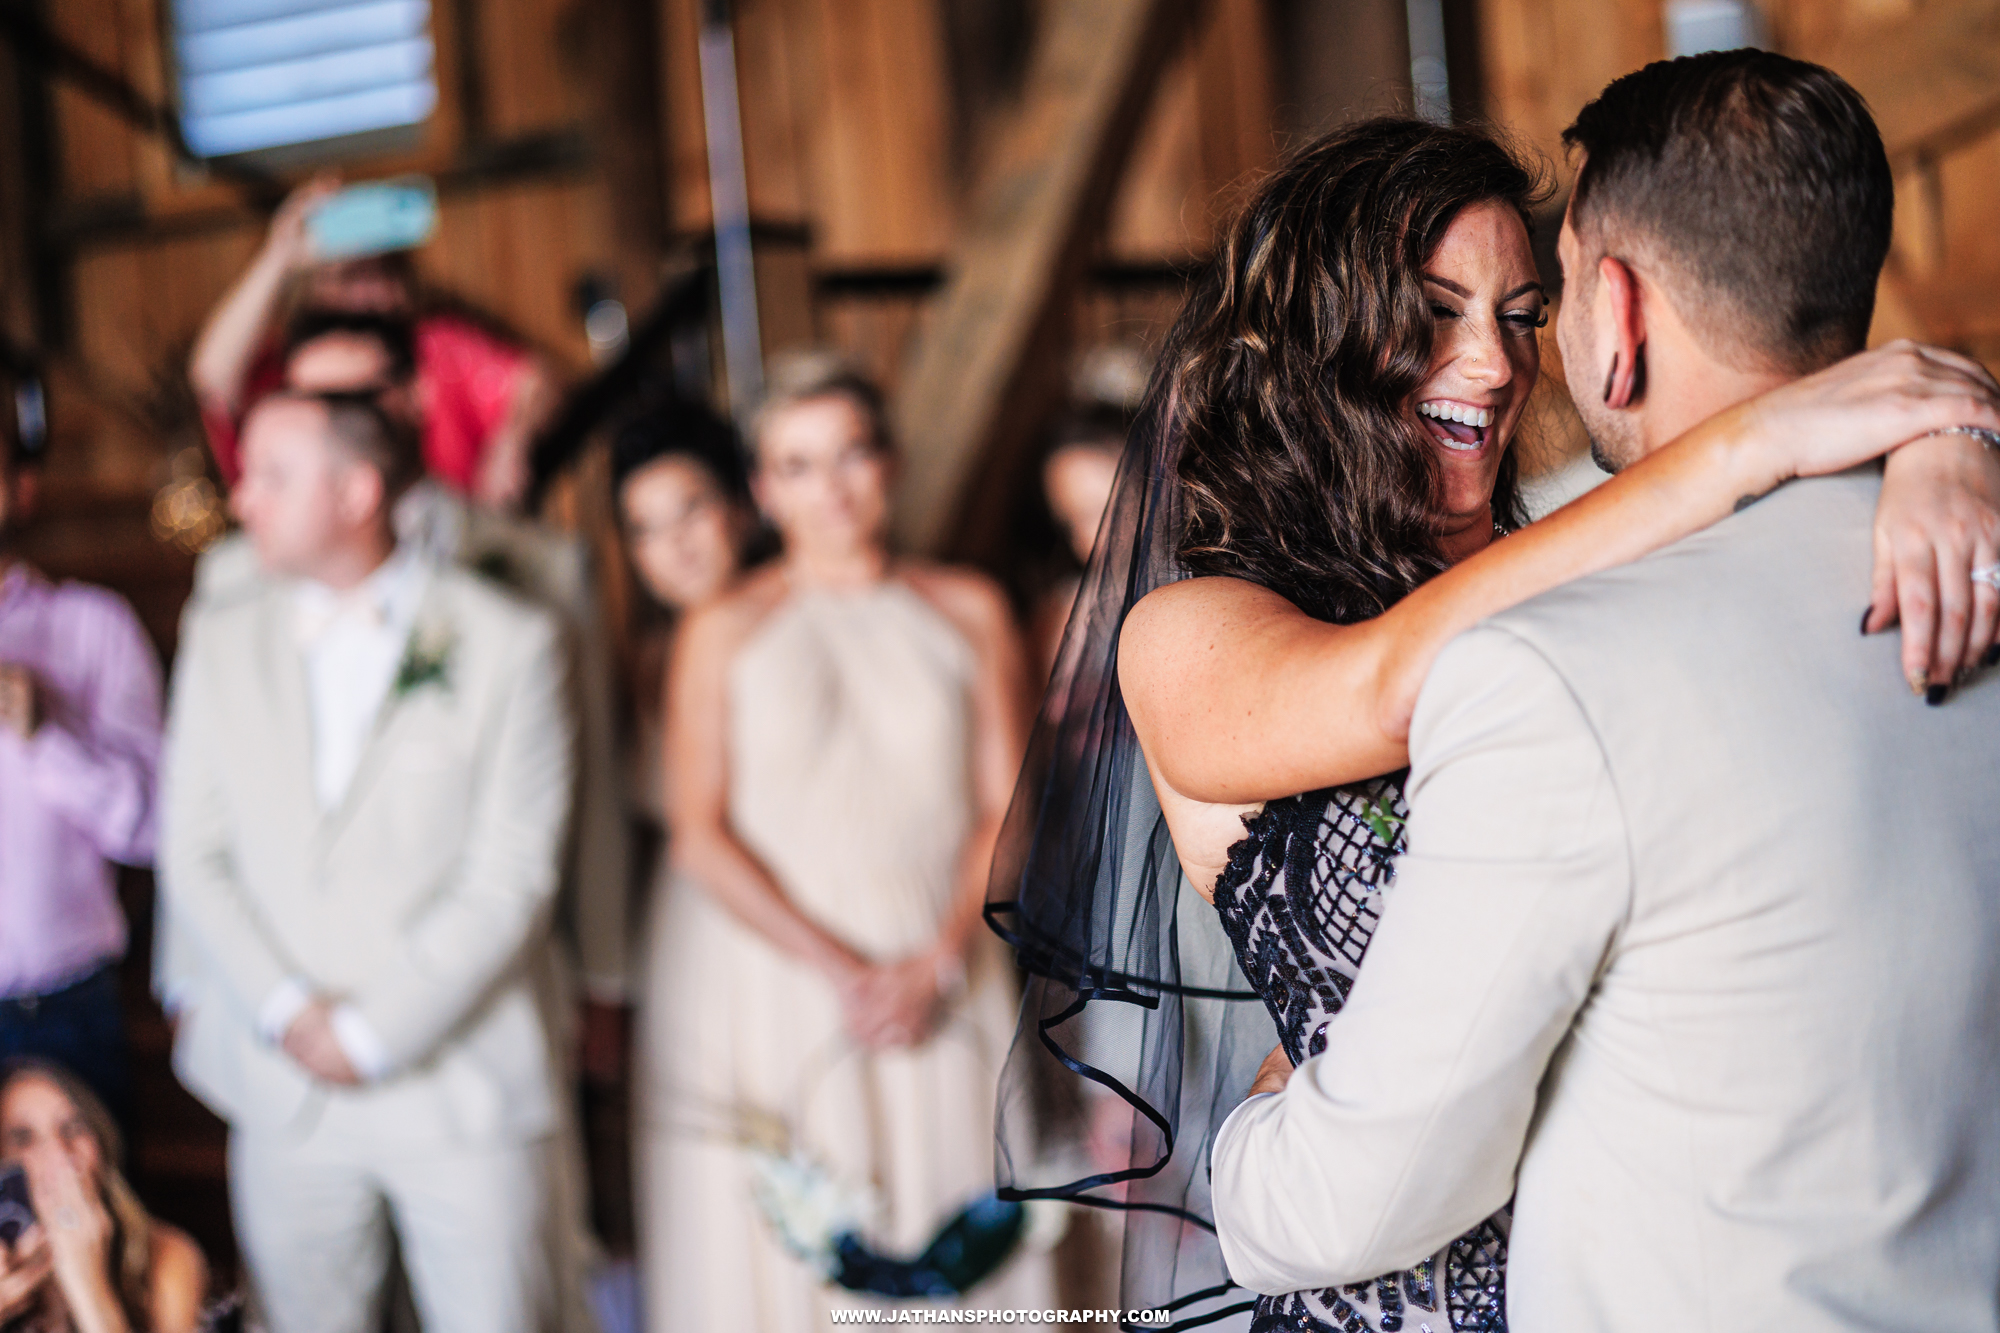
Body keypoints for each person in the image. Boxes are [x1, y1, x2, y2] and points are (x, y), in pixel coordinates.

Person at [985, 102, 2000, 1330]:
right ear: (1318, 334)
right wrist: (1757, 437)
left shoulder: (1586, 539)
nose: (1495, 363)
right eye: (1432, 313)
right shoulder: (1192, 631)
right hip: (1383, 1286)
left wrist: (1947, 436)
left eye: (1522, 315)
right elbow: (1386, 681)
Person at [158, 391, 576, 1333]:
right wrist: (284, 1009)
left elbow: (514, 876)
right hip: (282, 1087)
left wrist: (377, 1031)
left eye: (271, 474)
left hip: (458, 1082)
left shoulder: (509, 642)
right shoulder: (220, 637)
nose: (243, 498)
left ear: (355, 491)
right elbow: (192, 850)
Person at [651, 354, 1052, 1330]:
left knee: (952, 1218)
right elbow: (697, 833)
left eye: (849, 455)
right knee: (806, 1245)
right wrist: (845, 971)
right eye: (796, 465)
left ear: (890, 462)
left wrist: (935, 958)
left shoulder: (967, 609)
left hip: (941, 953)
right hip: (787, 970)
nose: (828, 488)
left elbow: (1006, 808)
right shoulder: (723, 626)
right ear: (761, 489)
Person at [187, 176, 558, 510]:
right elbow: (212, 377)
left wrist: (512, 439)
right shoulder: (287, 368)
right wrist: (279, 257)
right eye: (350, 277)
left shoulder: (436, 347)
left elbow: (532, 379)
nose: (370, 294)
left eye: (384, 274)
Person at [0, 426, 161, 1126]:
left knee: (94, 1232)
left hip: (62, 1011)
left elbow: (155, 827)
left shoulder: (93, 626)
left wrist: (46, 735)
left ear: (18, 488)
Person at [0, 1060, 208, 1333]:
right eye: (24, 1138)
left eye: (73, 1127)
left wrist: (90, 1288)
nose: (59, 1154)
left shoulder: (165, 1257)